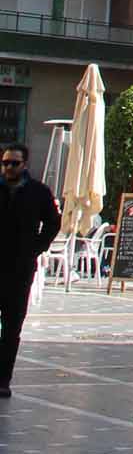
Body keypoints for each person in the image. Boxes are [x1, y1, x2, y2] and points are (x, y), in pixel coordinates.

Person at [0, 143, 61, 398]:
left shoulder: (38, 192)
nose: (8, 168)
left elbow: (53, 223)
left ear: (24, 164)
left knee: (12, 328)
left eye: (13, 163)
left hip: (20, 269)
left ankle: (3, 379)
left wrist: (35, 248)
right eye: (4, 163)